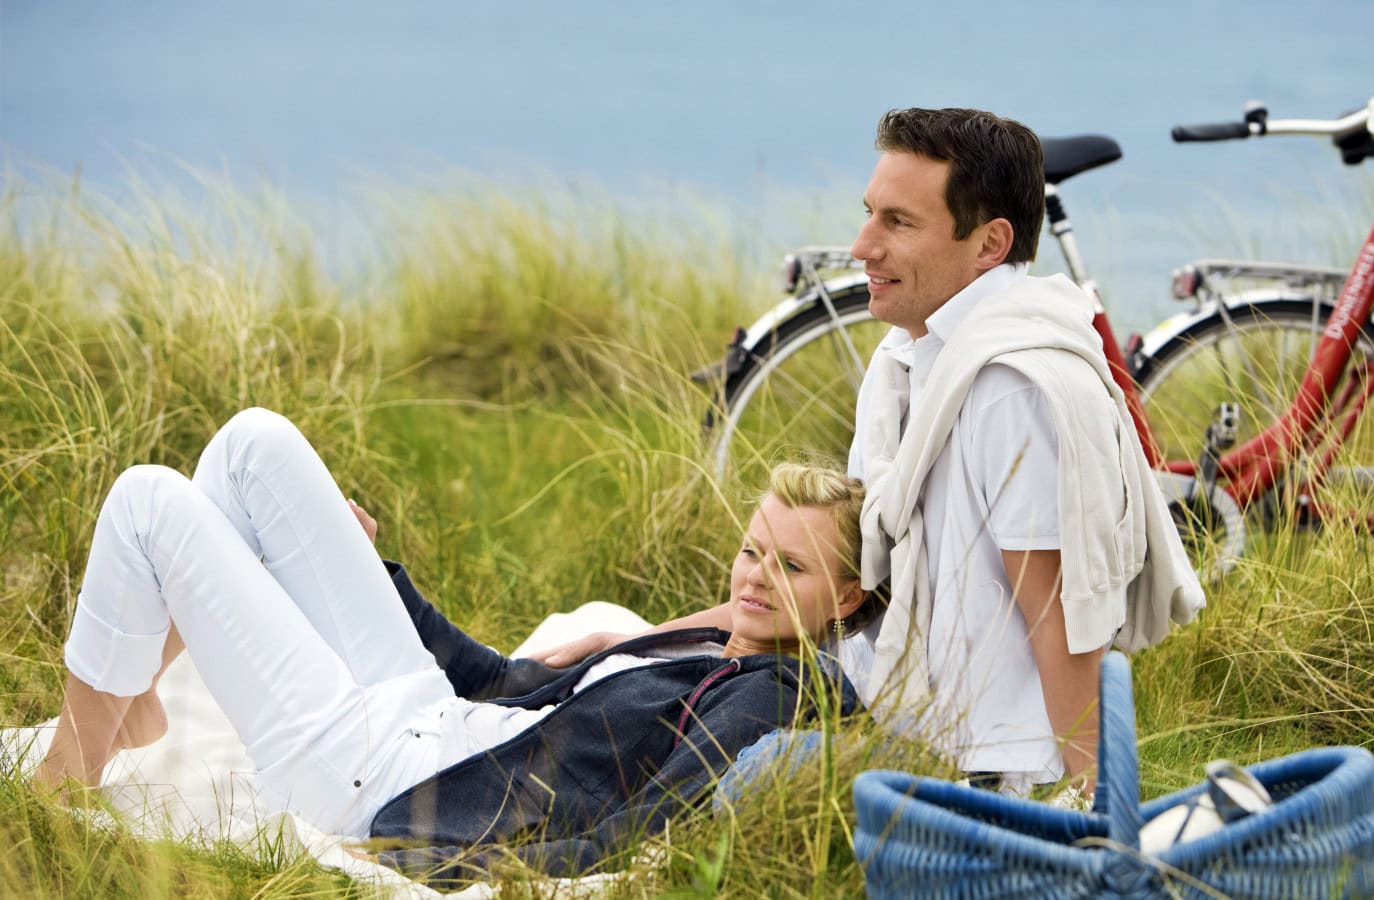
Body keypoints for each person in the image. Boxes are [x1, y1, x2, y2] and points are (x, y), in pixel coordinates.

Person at [536, 108, 1204, 794]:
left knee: (705, 772)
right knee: (591, 646)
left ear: (989, 244)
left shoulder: (1010, 389)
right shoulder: (906, 360)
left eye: (899, 223)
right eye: (869, 214)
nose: (861, 245)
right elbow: (837, 601)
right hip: (861, 703)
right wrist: (638, 648)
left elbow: (1059, 621)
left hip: (963, 770)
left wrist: (1099, 818)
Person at [36, 408, 883, 882]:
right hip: (432, 715)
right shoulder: (706, 641)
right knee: (252, 446)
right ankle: (133, 704)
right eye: (750, 551)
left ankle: (63, 776)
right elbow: (504, 679)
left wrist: (449, 861)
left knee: (148, 500)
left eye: (792, 568)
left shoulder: (774, 693)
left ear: (845, 598)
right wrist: (380, 576)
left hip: (381, 779)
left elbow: (639, 820)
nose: (755, 579)